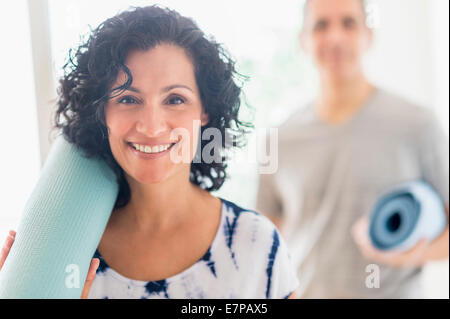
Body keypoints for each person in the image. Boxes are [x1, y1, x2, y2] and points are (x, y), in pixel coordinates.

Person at [0, 5, 299, 299]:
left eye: (175, 99)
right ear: (102, 112)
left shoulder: (256, 246)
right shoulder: (67, 260)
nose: (152, 127)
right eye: (129, 99)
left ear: (204, 110)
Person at [256, 0, 449, 298]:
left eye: (348, 23)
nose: (335, 37)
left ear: (369, 35)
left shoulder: (417, 124)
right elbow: (266, 242)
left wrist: (408, 255)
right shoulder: (279, 140)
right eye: (321, 25)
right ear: (303, 40)